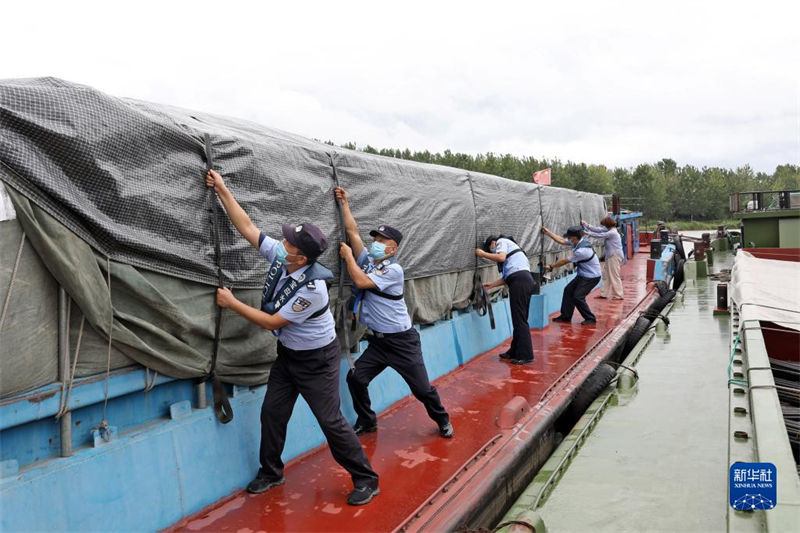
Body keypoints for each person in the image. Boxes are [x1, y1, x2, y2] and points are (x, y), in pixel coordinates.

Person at [205, 170, 380, 506]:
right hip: (289, 356)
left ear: (300, 257)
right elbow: (248, 228)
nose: (281, 244)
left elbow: (272, 322)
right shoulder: (282, 257)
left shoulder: (313, 289)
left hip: (318, 361)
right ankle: (271, 472)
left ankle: (366, 479)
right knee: (272, 412)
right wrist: (223, 189)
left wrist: (232, 303)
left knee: (330, 421)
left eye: (288, 243)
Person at [334, 187, 453, 439]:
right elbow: (353, 233)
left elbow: (362, 282)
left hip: (402, 342)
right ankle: (367, 421)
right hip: (379, 342)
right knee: (356, 379)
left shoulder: (393, 271)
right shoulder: (368, 261)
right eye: (375, 239)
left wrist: (348, 257)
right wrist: (344, 202)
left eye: (382, 241)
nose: (376, 244)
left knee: (422, 389)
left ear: (393, 249)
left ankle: (442, 419)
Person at [475, 235, 537, 364]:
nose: (493, 251)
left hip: (520, 282)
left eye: (490, 248)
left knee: (519, 320)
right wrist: (492, 285)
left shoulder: (501, 241)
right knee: (519, 319)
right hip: (523, 280)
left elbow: (501, 257)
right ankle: (514, 351)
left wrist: (482, 254)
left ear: (493, 243)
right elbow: (508, 276)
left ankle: (525, 355)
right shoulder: (514, 252)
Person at [541, 225, 602, 325]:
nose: (568, 238)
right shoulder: (578, 242)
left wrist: (551, 266)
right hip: (583, 275)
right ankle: (565, 316)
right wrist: (548, 233)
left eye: (569, 237)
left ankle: (590, 318)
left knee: (578, 296)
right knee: (568, 290)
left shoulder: (582, 251)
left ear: (574, 237)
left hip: (592, 277)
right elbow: (562, 241)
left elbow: (565, 261)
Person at [581, 216, 624, 300]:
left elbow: (600, 235)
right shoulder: (610, 230)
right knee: (606, 275)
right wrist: (587, 225)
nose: (604, 226)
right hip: (610, 256)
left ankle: (619, 295)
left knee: (614, 275)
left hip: (614, 256)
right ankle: (603, 293)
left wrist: (587, 233)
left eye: (605, 225)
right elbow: (598, 230)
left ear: (607, 225)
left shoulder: (612, 233)